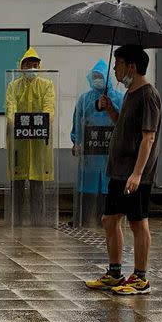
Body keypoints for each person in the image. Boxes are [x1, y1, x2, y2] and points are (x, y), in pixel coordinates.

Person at [87, 45, 160, 295]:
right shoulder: (130, 93)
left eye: (118, 64)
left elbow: (148, 137)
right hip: (118, 170)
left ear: (132, 66)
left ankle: (140, 279)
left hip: (134, 173)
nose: (115, 70)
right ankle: (115, 273)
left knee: (138, 223)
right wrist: (109, 109)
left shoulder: (148, 95)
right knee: (109, 219)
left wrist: (138, 173)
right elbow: (124, 126)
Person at [5, 47, 56, 225]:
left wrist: (40, 121)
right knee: (17, 184)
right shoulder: (13, 85)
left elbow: (49, 109)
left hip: (38, 143)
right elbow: (10, 108)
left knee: (37, 184)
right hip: (19, 143)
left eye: (35, 65)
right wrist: (15, 122)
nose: (32, 69)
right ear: (22, 66)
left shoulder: (47, 85)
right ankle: (16, 220)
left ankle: (38, 221)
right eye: (28, 65)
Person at [70, 59, 124, 227]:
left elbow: (123, 120)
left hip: (110, 152)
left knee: (107, 187)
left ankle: (106, 219)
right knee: (87, 186)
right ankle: (82, 218)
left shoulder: (120, 97)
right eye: (94, 76)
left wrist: (109, 105)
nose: (97, 79)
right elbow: (78, 120)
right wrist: (76, 141)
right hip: (90, 152)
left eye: (100, 76)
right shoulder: (85, 99)